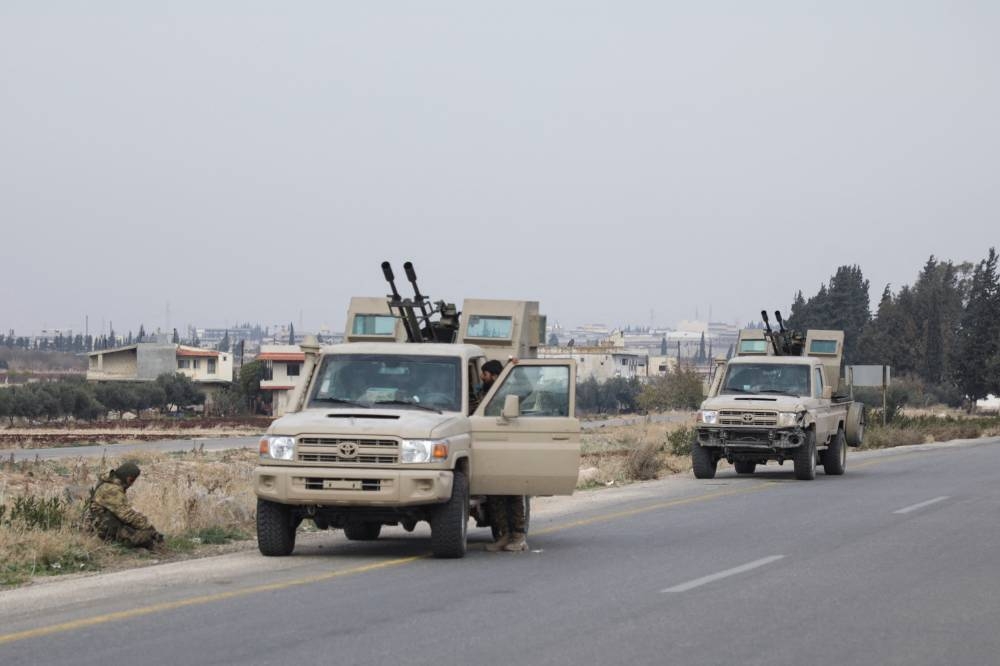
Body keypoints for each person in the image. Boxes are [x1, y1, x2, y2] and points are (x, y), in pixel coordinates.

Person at [475, 358, 530, 553]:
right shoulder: (483, 393)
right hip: (489, 447)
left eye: (485, 374)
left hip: (509, 446)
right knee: (495, 494)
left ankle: (519, 536)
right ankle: (504, 535)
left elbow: (527, 388)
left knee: (513, 492)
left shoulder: (508, 393)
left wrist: (515, 368)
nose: (482, 377)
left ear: (495, 376)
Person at [87, 461, 164, 549]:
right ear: (129, 479)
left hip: (103, 523)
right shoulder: (112, 490)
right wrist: (149, 527)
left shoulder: (109, 484)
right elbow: (126, 515)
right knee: (148, 539)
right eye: (132, 480)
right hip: (103, 527)